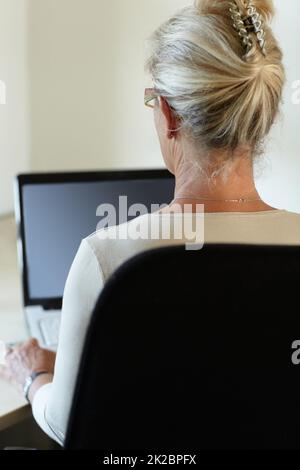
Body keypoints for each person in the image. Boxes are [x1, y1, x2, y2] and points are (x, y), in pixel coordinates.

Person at [1, 0, 300, 446]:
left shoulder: (108, 258)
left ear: (169, 115)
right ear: (264, 116)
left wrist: (36, 375)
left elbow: (69, 424)